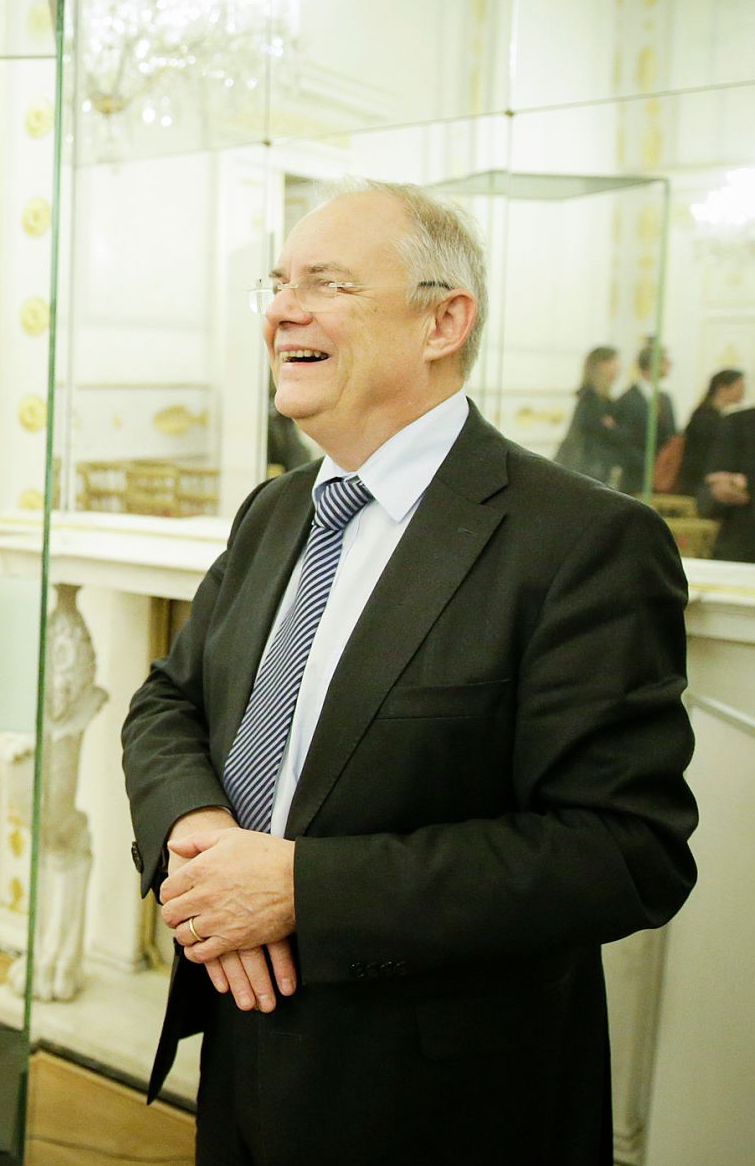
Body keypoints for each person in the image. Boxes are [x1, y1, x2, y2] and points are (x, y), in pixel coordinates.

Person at [121, 179, 697, 1166]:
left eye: (327, 283)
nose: (282, 310)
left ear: (444, 321)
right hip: (240, 1048)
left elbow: (623, 851)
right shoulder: (275, 511)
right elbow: (167, 700)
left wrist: (304, 889)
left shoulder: (582, 541)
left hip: (437, 1098)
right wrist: (199, 827)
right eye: (277, 283)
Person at [614, 336, 678, 494]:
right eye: (664, 361)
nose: (669, 365)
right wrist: (649, 464)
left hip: (663, 478)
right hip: (636, 477)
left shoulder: (665, 399)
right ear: (651, 365)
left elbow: (671, 436)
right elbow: (623, 442)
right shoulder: (628, 399)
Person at [553, 345, 623, 485]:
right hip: (587, 468)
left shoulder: (600, 398)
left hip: (590, 467)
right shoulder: (590, 398)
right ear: (601, 365)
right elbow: (600, 429)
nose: (618, 368)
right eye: (614, 362)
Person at [676, 368, 745, 499]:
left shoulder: (720, 416)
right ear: (722, 388)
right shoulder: (705, 417)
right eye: (739, 386)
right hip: (697, 484)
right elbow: (702, 455)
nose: (743, 391)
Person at [702, 406, 755, 562]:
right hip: (742, 543)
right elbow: (712, 485)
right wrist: (722, 489)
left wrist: (748, 484)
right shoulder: (738, 424)